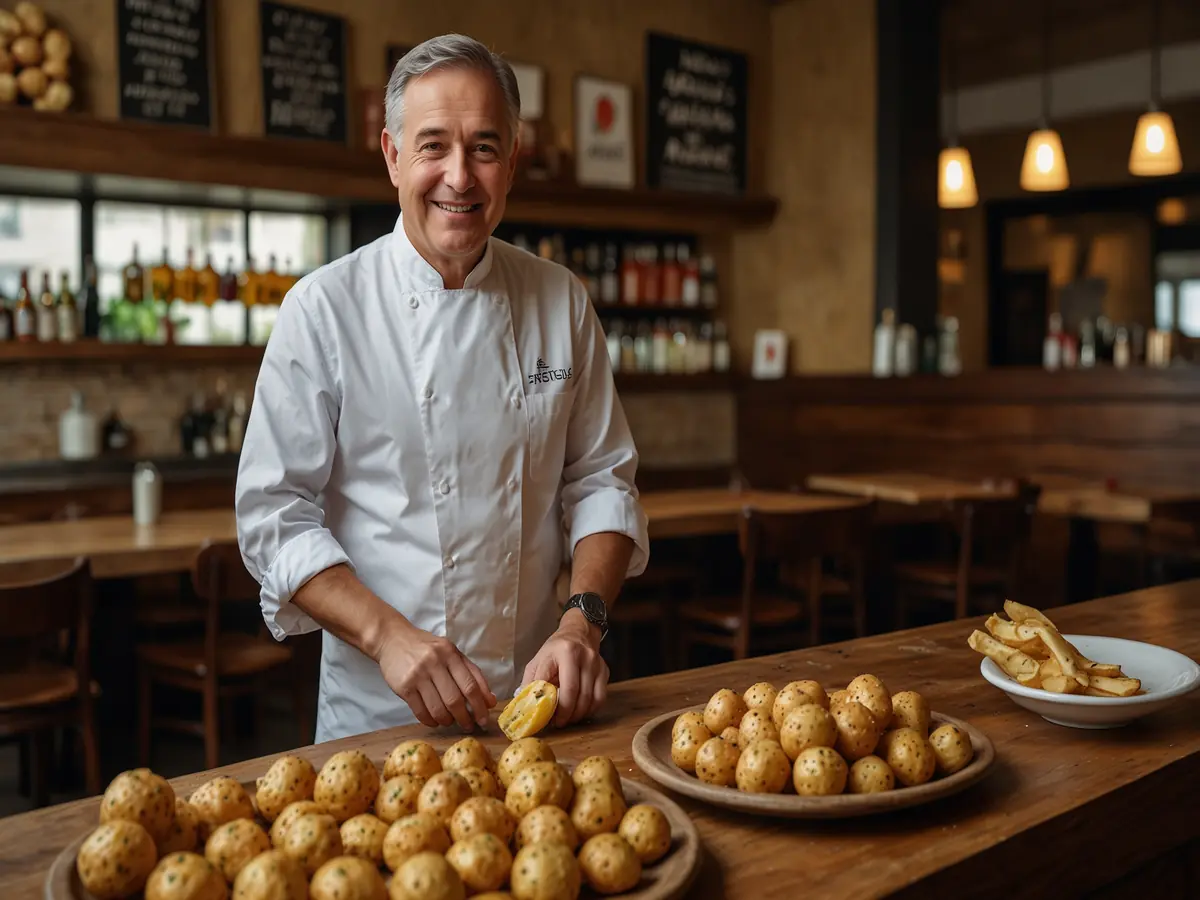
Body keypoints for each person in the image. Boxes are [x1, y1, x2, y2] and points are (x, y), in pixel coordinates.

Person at [234, 33, 648, 744]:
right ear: (393, 156)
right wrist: (389, 636)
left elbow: (603, 483)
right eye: (433, 147)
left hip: (538, 707)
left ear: (512, 162)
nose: (460, 176)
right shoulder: (324, 308)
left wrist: (582, 624)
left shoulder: (561, 300)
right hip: (379, 720)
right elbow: (274, 518)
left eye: (484, 148)